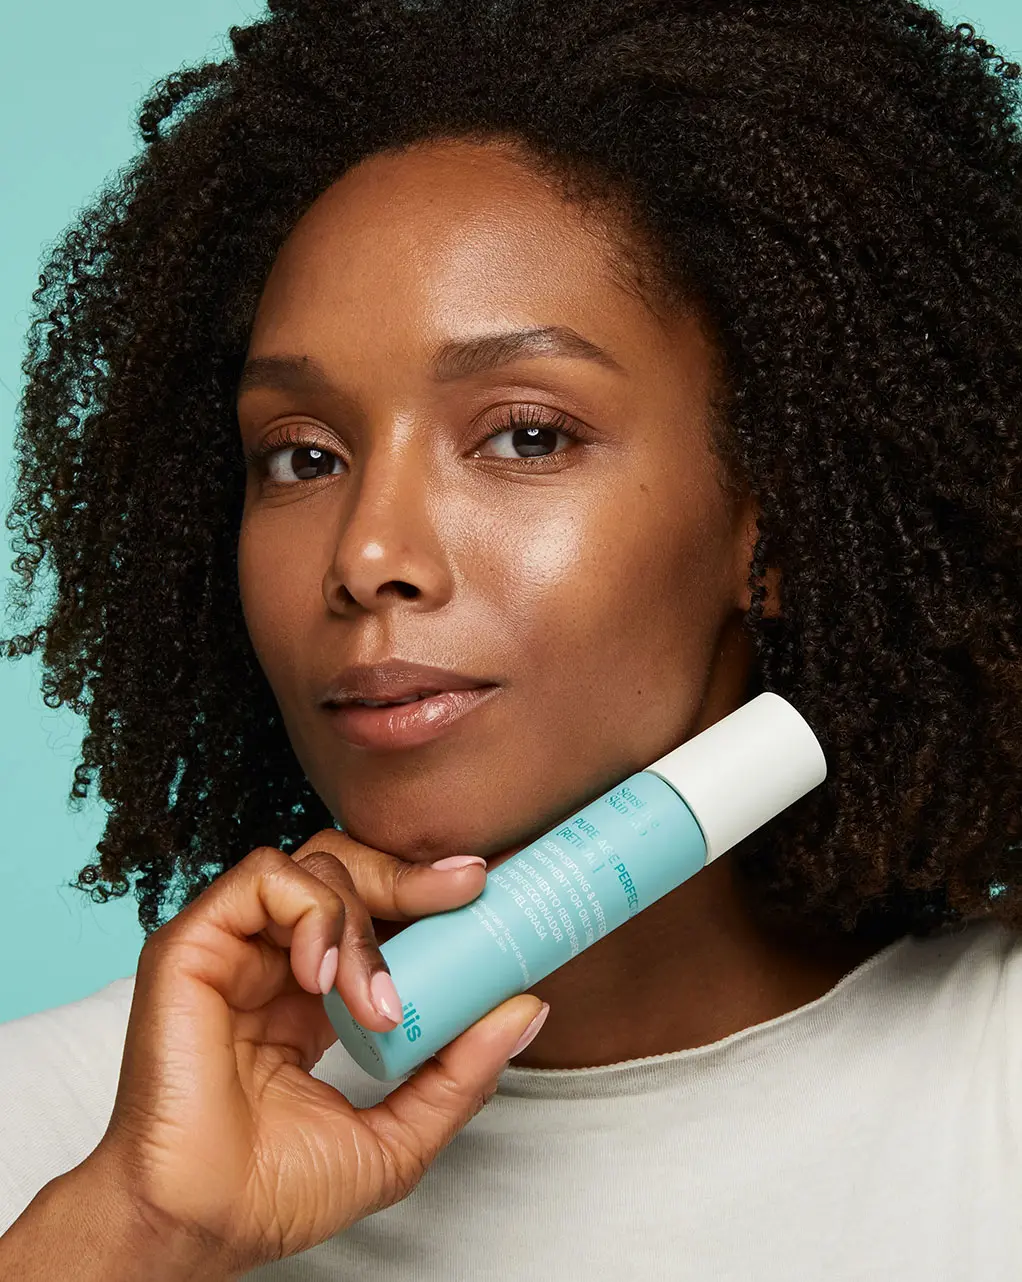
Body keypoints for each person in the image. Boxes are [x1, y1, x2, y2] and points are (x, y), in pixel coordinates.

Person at [1, 0, 1020, 1276]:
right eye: (302, 456)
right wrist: (140, 1232)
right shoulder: (61, 1144)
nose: (366, 553)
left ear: (776, 522)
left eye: (525, 435)